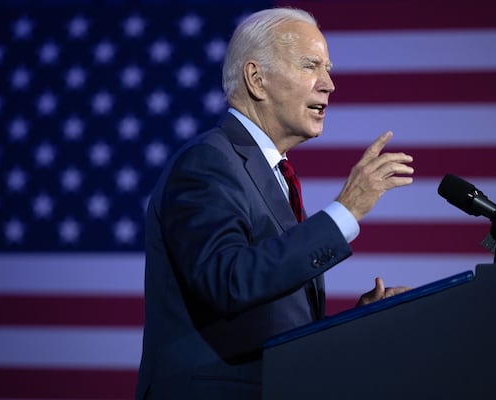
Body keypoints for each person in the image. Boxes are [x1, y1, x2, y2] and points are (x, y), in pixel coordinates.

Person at [135, 7, 414, 400]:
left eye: (328, 69)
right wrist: (346, 210)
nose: (330, 84)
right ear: (256, 79)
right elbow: (228, 281)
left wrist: (361, 319)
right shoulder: (207, 162)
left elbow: (278, 329)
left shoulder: (272, 175)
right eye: (310, 66)